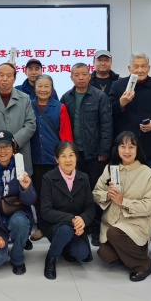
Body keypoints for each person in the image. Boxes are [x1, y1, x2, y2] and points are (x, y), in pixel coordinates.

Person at [93, 131, 151, 282]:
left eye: (131, 147)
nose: (127, 151)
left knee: (114, 233)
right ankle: (132, 253)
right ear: (117, 148)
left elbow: (150, 206)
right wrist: (107, 195)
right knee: (105, 255)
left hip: (137, 223)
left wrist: (123, 201)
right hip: (112, 222)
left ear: (138, 149)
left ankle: (143, 265)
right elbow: (96, 193)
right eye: (122, 146)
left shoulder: (147, 173)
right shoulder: (110, 168)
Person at [60, 62, 113, 246]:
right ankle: (84, 226)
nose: (81, 78)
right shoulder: (66, 97)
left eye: (84, 74)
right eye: (77, 75)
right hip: (74, 155)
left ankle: (97, 228)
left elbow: (107, 125)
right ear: (71, 77)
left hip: (95, 154)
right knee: (78, 192)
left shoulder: (100, 96)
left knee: (96, 192)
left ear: (90, 76)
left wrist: (104, 150)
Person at [0, 130, 37, 275]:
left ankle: (17, 257)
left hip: (16, 213)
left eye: (6, 146)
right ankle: (3, 248)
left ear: (13, 148)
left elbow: (30, 200)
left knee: (20, 223)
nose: (2, 151)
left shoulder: (22, 168)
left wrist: (26, 188)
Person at [40, 141, 95, 280]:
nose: (68, 160)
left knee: (81, 254)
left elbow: (90, 207)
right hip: (55, 225)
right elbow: (46, 211)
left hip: (76, 226)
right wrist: (72, 219)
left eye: (71, 155)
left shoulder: (83, 178)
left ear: (76, 157)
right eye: (63, 156)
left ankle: (62, 246)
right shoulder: (48, 178)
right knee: (65, 229)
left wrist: (82, 220)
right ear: (56, 159)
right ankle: (51, 258)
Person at [109, 53, 151, 169]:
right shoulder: (118, 85)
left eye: (143, 66)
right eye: (136, 66)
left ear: (149, 68)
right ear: (129, 68)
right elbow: (108, 113)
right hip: (125, 148)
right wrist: (121, 103)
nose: (140, 70)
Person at [29, 74, 73, 241]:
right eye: (40, 86)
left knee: (57, 195)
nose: (43, 89)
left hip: (54, 159)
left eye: (46, 86)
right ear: (35, 88)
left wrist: (66, 158)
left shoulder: (60, 107)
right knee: (39, 195)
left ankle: (59, 224)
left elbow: (66, 135)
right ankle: (41, 226)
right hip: (34, 158)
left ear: (52, 88)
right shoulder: (28, 105)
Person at [0, 62, 36, 173]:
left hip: (20, 151)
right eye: (1, 75)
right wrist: (1, 143)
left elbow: (31, 124)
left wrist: (15, 141)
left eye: (9, 76)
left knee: (22, 181)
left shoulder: (25, 99)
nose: (5, 79)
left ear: (14, 79)